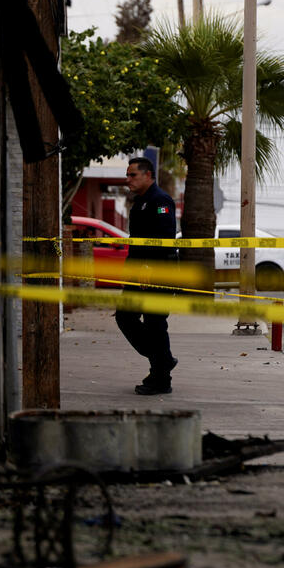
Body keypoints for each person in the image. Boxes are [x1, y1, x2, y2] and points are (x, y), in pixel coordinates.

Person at [115, 157, 178, 395]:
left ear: (148, 175)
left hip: (157, 272)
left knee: (155, 323)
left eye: (133, 175)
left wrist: (149, 268)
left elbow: (164, 238)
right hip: (137, 273)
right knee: (125, 317)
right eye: (127, 175)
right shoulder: (141, 201)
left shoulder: (160, 200)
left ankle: (161, 378)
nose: (128, 179)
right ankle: (163, 359)